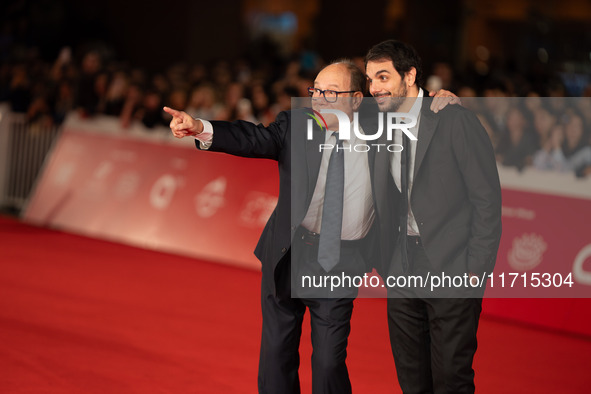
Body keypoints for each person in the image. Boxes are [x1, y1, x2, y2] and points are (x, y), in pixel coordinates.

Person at [164, 60, 458, 394]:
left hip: (341, 261)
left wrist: (440, 101)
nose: (318, 98)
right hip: (289, 252)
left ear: (357, 99)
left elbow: (420, 119)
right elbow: (252, 139)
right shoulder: (297, 123)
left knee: (329, 362)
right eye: (315, 90)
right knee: (277, 355)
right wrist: (200, 127)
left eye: (331, 92)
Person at [365, 39, 502, 394]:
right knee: (412, 379)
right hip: (402, 264)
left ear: (409, 75)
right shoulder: (379, 123)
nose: (375, 87)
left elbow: (487, 201)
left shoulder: (453, 120)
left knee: (451, 380)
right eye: (370, 80)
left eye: (383, 76)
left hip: (452, 265)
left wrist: (475, 271)